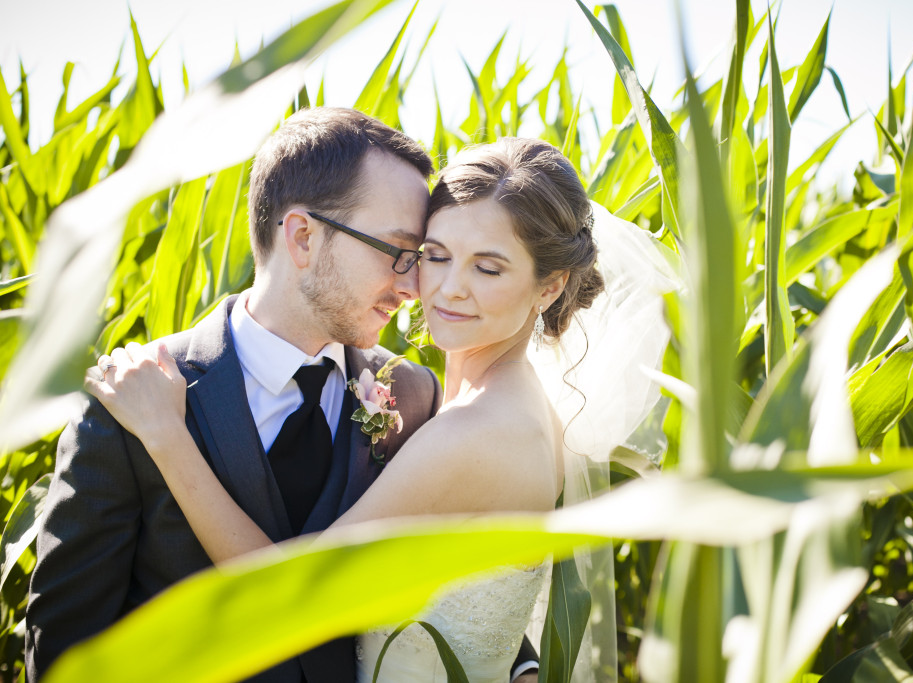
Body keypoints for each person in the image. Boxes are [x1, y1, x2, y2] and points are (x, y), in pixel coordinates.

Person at [24, 109, 540, 683]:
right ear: (301, 237)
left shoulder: (414, 395)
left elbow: (459, 565)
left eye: (419, 257)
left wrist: (516, 665)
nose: (414, 284)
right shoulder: (133, 397)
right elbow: (64, 653)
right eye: (398, 251)